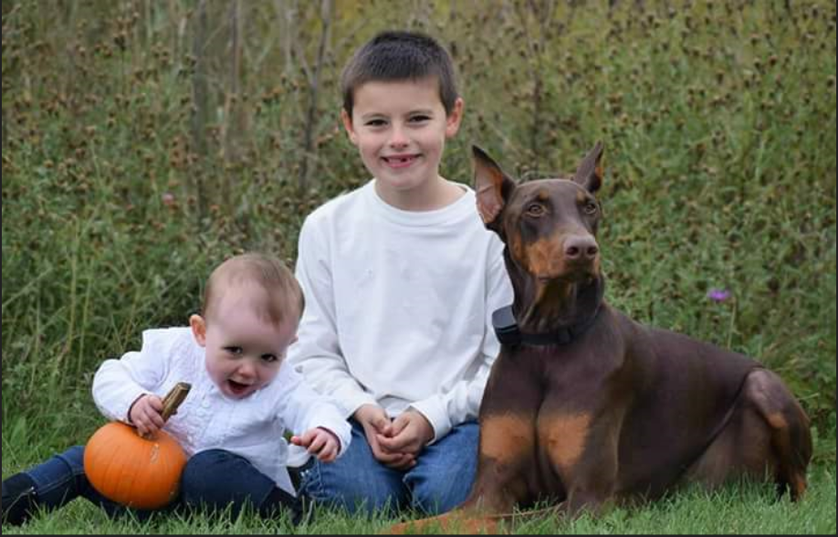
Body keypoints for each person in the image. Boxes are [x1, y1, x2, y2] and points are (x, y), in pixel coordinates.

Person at [287, 30, 514, 517]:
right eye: (376, 122)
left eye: (417, 119)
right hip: (356, 418)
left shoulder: (489, 230)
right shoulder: (327, 228)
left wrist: (431, 417)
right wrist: (363, 411)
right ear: (349, 126)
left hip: (460, 419)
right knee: (357, 497)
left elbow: (502, 361)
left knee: (448, 491)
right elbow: (311, 353)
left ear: (451, 117)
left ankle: (445, 482)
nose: (397, 140)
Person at [2, 253, 351, 527]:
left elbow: (316, 405)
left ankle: (290, 515)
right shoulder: (172, 349)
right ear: (201, 332)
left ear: (289, 344)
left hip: (223, 495)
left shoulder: (281, 382)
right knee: (86, 459)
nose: (249, 368)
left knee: (207, 468)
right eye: (234, 350)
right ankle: (12, 501)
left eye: (269, 355)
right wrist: (133, 401)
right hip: (146, 489)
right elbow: (110, 374)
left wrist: (325, 430)